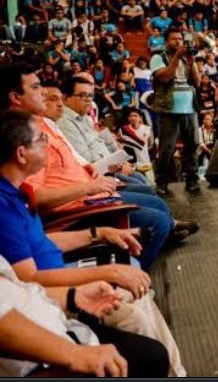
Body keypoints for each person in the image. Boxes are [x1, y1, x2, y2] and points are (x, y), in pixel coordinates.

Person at [0, 109, 185, 376]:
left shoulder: (16, 194)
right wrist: (101, 276)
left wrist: (98, 233)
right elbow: (28, 279)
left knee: (141, 293)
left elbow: (40, 242)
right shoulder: (4, 207)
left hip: (61, 286)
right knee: (138, 320)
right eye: (41, 139)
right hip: (55, 297)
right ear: (21, 154)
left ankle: (178, 373)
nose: (47, 144)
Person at [0, 254, 171, 378]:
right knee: (150, 355)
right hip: (39, 365)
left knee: (150, 352)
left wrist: (73, 297)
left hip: (64, 329)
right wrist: (73, 354)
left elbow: (20, 292)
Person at [150, 27, 201, 195]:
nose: (178, 42)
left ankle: (192, 180)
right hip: (168, 110)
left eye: (180, 39)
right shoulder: (158, 57)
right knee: (166, 148)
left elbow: (197, 82)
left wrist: (191, 61)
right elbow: (165, 77)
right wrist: (177, 57)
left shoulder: (187, 58)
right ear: (167, 41)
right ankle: (162, 183)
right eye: (174, 39)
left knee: (192, 145)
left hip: (190, 108)